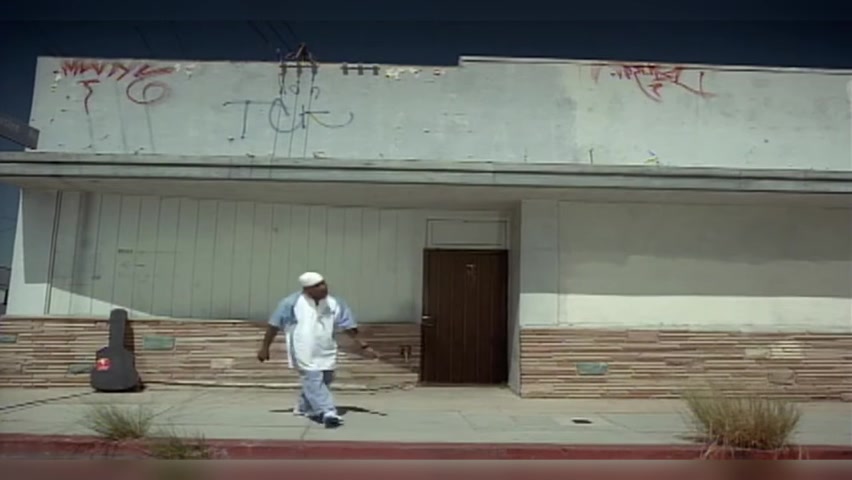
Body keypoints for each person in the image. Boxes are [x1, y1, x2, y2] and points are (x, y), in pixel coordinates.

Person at [257, 272, 379, 428]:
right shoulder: (291, 303)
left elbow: (349, 326)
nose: (323, 287)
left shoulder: (335, 303)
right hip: (302, 348)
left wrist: (364, 346)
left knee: (325, 379)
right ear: (307, 289)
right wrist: (265, 347)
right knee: (313, 379)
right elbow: (273, 325)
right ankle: (327, 412)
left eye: (323, 283)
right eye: (317, 286)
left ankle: (304, 407)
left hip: (326, 348)